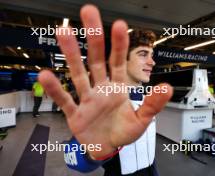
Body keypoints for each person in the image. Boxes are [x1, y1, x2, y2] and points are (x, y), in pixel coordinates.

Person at [38, 4, 172, 176]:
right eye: (143, 54)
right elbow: (73, 157)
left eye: (152, 55)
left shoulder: (147, 98)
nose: (152, 62)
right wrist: (94, 152)